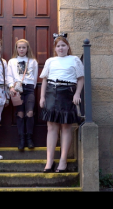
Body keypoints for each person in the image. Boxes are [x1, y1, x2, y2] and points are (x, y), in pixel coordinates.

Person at [39, 34, 84, 173]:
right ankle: (49, 162)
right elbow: (45, 80)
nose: (61, 48)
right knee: (51, 128)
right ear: (55, 48)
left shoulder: (75, 60)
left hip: (68, 92)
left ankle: (63, 161)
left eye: (63, 45)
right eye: (58, 46)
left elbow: (81, 79)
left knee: (66, 127)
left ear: (68, 47)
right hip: (52, 92)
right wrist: (42, 97)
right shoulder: (50, 61)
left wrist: (77, 94)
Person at [6, 39, 39, 151]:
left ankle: (29, 138)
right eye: (19, 47)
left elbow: (34, 78)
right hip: (17, 89)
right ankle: (22, 139)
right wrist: (11, 86)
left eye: (23, 47)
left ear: (27, 48)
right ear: (16, 48)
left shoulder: (33, 61)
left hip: (29, 89)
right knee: (20, 113)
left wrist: (30, 86)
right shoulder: (12, 61)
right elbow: (9, 76)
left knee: (29, 112)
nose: (21, 49)